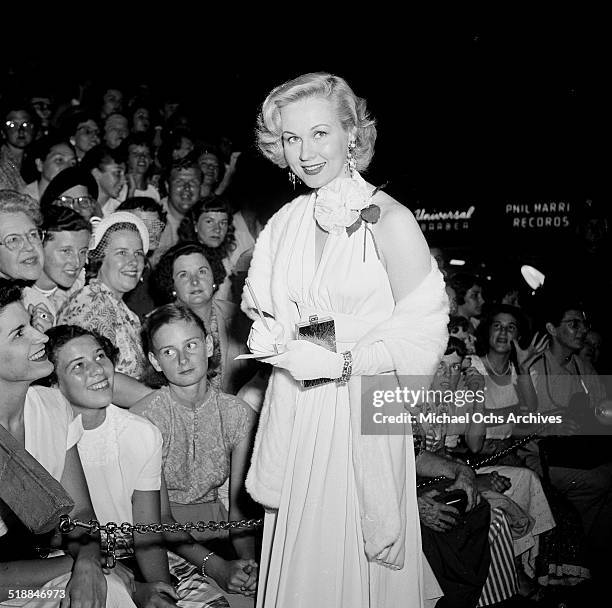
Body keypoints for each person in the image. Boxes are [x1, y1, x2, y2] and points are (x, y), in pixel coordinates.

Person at [243, 72, 448, 607]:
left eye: (320, 134)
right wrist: (277, 335)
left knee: (355, 557)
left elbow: (422, 332)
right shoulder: (284, 222)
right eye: (291, 138)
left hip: (362, 406)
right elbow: (267, 309)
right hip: (298, 409)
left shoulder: (392, 218)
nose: (306, 153)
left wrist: (337, 355)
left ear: (351, 134)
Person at [43, 324, 235, 608]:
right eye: (78, 366)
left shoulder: (140, 432)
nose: (97, 370)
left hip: (135, 552)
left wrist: (162, 591)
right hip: (72, 560)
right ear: (54, 384)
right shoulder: (45, 433)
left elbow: (149, 529)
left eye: (99, 356)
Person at [0, 278, 134, 607]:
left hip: (37, 572)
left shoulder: (52, 406)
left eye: (31, 323)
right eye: (19, 333)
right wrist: (83, 566)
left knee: (106, 591)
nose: (42, 336)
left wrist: (89, 561)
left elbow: (81, 512)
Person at [132, 303, 260, 607]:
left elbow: (240, 508)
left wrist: (250, 564)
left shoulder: (238, 413)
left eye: (191, 345)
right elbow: (158, 517)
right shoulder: (143, 418)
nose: (183, 358)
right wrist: (215, 566)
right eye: (168, 352)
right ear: (155, 361)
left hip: (220, 533)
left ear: (209, 344)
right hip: (159, 542)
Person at [152, 241, 252, 394]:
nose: (195, 281)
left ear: (214, 277)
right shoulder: (156, 326)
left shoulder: (240, 316)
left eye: (202, 271)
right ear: (172, 285)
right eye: (183, 275)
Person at [58, 212, 149, 379]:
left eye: (138, 253)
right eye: (122, 253)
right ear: (100, 259)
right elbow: (97, 377)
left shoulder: (123, 310)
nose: (133, 261)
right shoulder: (93, 302)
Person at [22, 206, 91, 322]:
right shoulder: (17, 298)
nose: (77, 262)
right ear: (39, 246)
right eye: (66, 251)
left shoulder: (84, 292)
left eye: (82, 252)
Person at [179, 196, 237, 301]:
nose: (217, 229)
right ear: (195, 225)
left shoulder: (225, 260)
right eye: (209, 222)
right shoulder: (185, 261)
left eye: (223, 223)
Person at [118, 196, 167, 320]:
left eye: (156, 225)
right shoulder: (119, 268)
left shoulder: (151, 268)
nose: (151, 232)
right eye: (143, 225)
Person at [23, 136, 76, 202]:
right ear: (40, 164)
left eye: (73, 163)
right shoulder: (22, 202)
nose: (67, 167)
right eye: (59, 160)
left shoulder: (76, 201)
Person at [80, 145, 126, 218]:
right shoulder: (77, 207)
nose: (123, 181)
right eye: (117, 173)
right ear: (96, 173)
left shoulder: (119, 213)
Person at [0, 103, 36, 192]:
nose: (21, 131)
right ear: (3, 132)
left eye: (26, 125)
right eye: (13, 125)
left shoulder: (37, 159)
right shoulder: (2, 162)